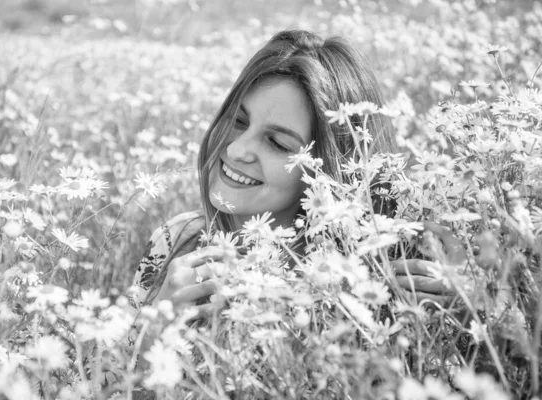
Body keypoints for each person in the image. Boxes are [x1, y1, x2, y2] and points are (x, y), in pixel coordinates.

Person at [132, 29, 463, 320]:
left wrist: (481, 309)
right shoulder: (177, 239)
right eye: (238, 121)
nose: (236, 150)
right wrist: (151, 330)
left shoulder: (375, 278)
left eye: (277, 143)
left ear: (327, 168)